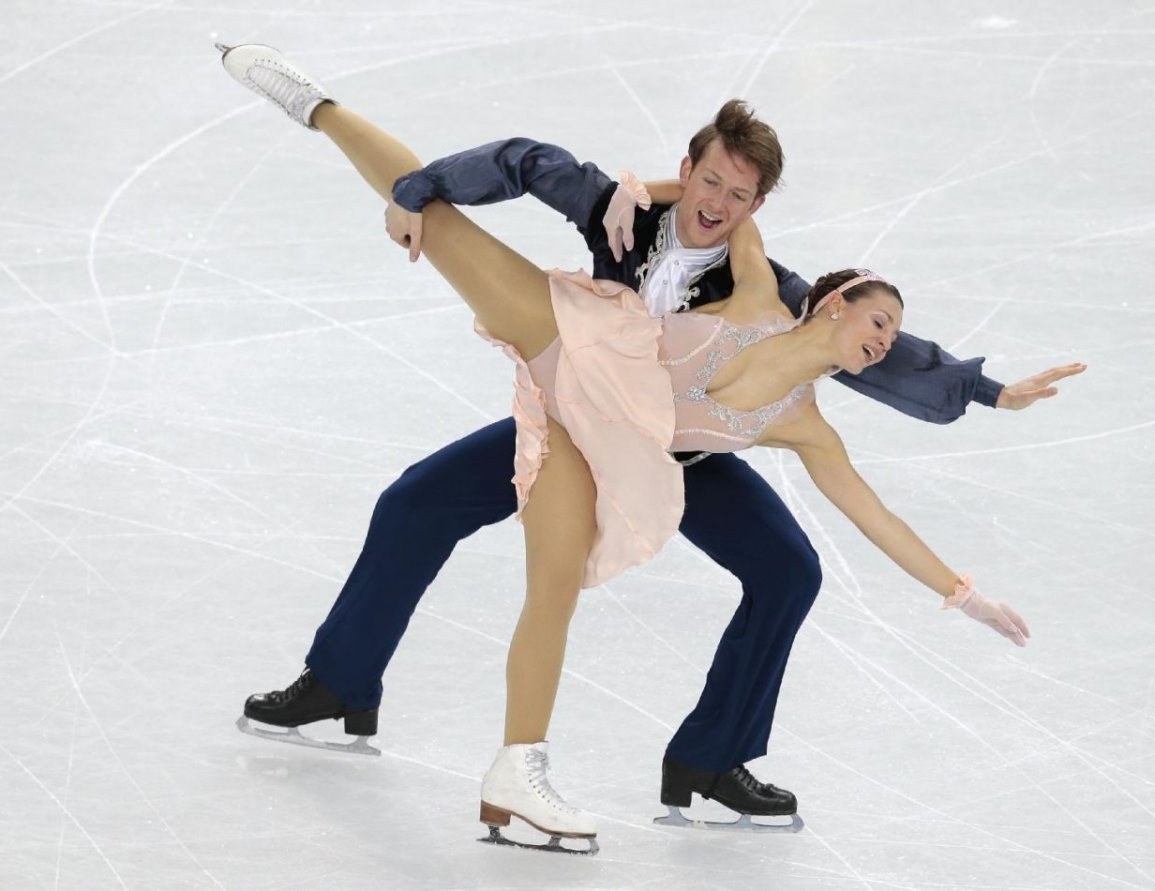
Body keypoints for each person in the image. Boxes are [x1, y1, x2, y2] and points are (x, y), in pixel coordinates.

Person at [216, 44, 1082, 846]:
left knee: (788, 569)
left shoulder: (765, 287)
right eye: (706, 182)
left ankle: (708, 758)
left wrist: (984, 392)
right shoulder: (618, 212)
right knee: (414, 505)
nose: (717, 202)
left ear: (756, 209)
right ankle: (340, 683)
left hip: (679, 452)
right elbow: (525, 161)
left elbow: (872, 357)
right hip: (574, 394)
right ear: (688, 169)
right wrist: (436, 191)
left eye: (737, 195)